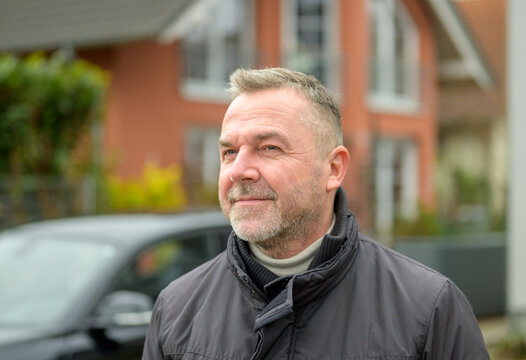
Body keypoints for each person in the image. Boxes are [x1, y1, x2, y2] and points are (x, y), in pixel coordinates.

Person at [142, 68, 490, 359]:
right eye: (229, 152)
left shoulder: (428, 309)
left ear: (334, 168)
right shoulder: (177, 308)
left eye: (269, 148)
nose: (239, 170)